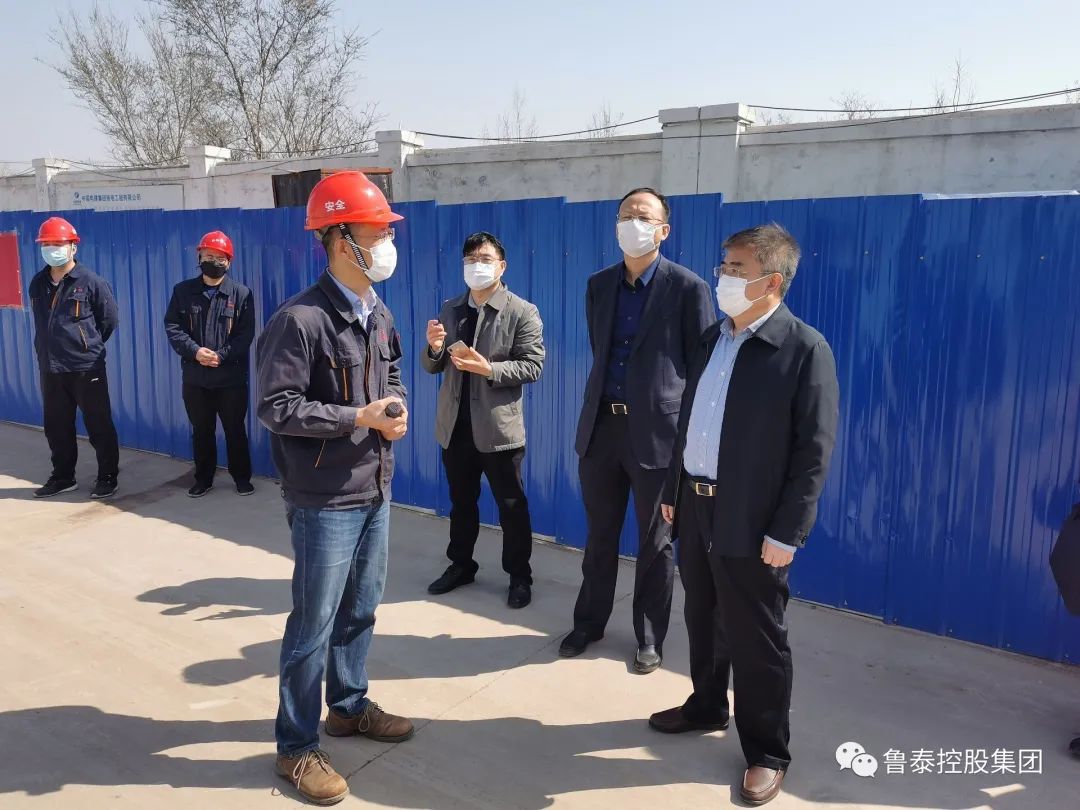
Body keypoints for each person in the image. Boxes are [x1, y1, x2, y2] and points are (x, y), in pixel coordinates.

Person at [649, 224, 840, 806]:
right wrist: (675, 488)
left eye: (736, 269)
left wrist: (788, 532)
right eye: (724, 266)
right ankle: (707, 704)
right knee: (703, 616)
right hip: (696, 505)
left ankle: (766, 751)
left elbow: (813, 452)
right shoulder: (715, 337)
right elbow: (691, 419)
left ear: (771, 281)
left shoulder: (803, 349)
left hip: (754, 520)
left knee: (757, 636)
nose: (723, 278)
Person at [256, 171, 412, 806]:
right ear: (342, 240)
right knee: (313, 624)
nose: (386, 244)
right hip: (323, 496)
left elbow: (392, 372)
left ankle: (347, 707)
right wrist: (357, 417)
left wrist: (393, 407)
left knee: (361, 609)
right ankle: (295, 746)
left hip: (374, 486)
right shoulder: (299, 320)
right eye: (377, 233)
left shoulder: (378, 311)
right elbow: (276, 406)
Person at [560, 187, 716, 674]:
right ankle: (589, 622)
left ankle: (650, 636)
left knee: (656, 542)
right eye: (626, 214)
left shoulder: (688, 289)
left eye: (644, 216)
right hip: (602, 427)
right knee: (599, 535)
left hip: (657, 436)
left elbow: (700, 367)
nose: (633, 222)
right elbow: (600, 347)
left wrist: (688, 438)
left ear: (663, 230)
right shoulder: (599, 285)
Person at [422, 231, 546, 609]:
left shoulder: (522, 311)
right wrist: (434, 348)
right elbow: (433, 366)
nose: (477, 265)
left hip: (497, 428)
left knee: (511, 506)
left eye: (485, 259)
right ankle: (461, 565)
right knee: (461, 502)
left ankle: (519, 576)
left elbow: (533, 365)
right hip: (455, 426)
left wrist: (489, 369)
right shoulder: (451, 308)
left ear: (501, 266)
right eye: (471, 259)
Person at [28, 216, 120, 500]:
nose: (52, 249)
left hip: (85, 367)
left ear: (73, 247)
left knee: (98, 424)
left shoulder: (91, 282)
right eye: (47, 244)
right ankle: (63, 477)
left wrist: (84, 346)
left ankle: (107, 477)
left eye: (58, 244)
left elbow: (109, 321)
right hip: (51, 367)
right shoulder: (38, 283)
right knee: (56, 426)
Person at [164, 230, 255, 497]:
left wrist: (222, 355)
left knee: (235, 431)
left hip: (230, 379)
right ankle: (203, 478)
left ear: (229, 262)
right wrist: (195, 352)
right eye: (208, 256)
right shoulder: (183, 292)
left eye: (219, 258)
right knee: (201, 431)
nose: (213, 262)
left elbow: (245, 334)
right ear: (199, 258)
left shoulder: (241, 294)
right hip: (196, 379)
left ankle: (242, 478)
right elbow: (173, 327)